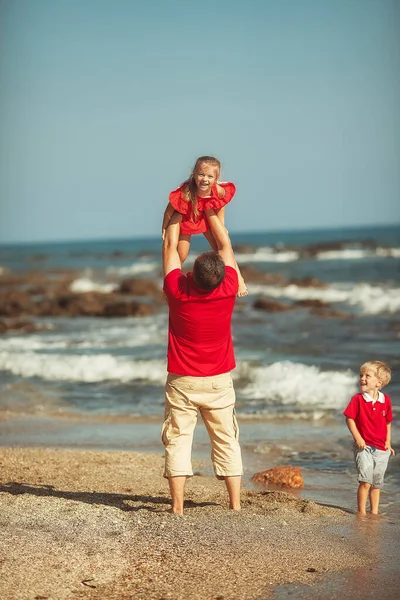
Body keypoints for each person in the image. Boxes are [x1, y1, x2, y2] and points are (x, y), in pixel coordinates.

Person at [161, 206, 243, 515]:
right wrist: (209, 208)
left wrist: (181, 211)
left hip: (183, 380)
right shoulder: (229, 288)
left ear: (192, 274)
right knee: (226, 440)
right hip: (219, 380)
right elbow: (225, 246)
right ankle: (234, 505)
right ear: (220, 277)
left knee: (178, 440)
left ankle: (178, 508)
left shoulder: (177, 289)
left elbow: (170, 247)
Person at [162, 156, 248, 297]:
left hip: (206, 217)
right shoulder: (186, 191)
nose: (205, 179)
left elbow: (221, 204)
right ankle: (171, 283)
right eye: (201, 174)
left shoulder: (218, 190)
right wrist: (165, 227)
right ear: (194, 174)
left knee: (222, 246)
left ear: (216, 178)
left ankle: (240, 279)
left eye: (210, 176)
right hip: (188, 218)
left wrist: (221, 224)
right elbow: (170, 209)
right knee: (181, 254)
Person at [344, 361, 395, 516]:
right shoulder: (357, 399)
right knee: (365, 481)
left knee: (376, 484)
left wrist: (388, 442)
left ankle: (374, 512)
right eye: (361, 375)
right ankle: (361, 513)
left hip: (381, 449)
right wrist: (358, 438)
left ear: (379, 382)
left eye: (367, 375)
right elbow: (349, 418)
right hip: (364, 447)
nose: (362, 379)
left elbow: (388, 422)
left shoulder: (385, 400)